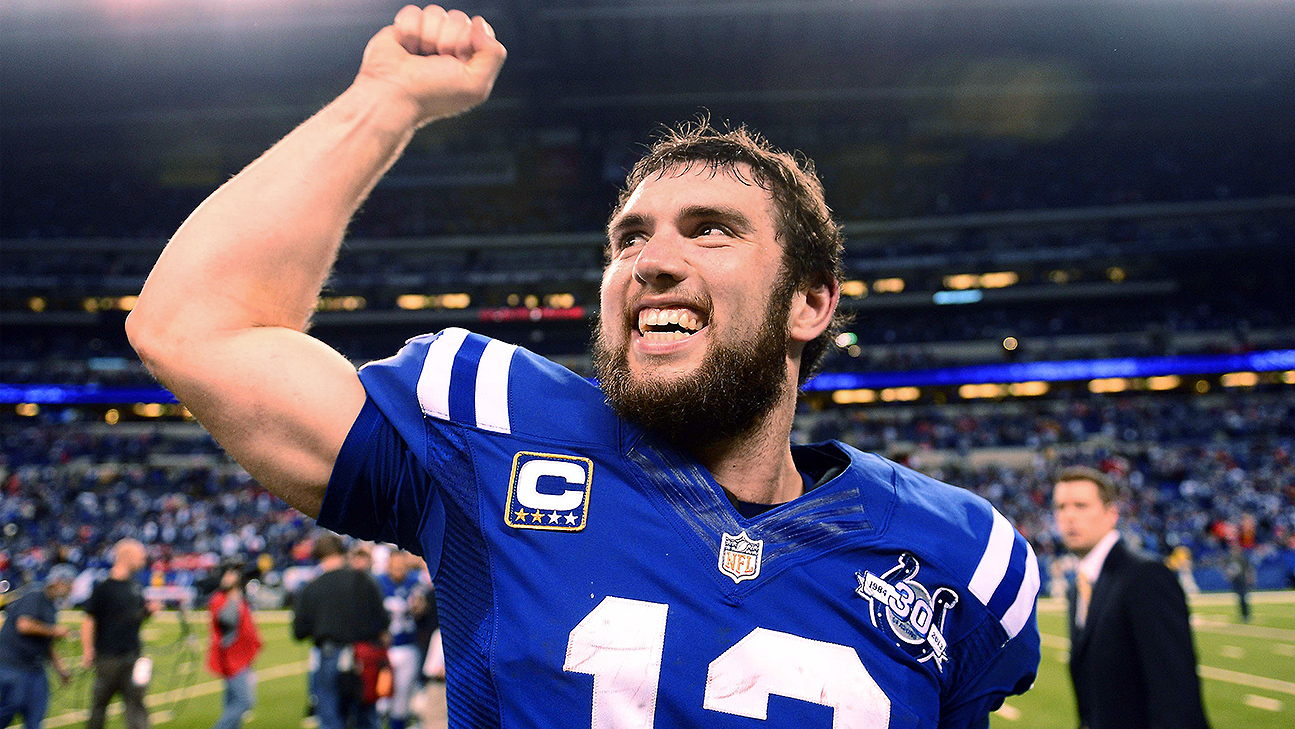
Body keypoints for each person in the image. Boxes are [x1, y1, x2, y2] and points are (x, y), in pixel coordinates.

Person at [126, 5, 1041, 726]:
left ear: (811, 303)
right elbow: (193, 326)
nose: (652, 260)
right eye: (628, 238)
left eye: (712, 230)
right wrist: (384, 102)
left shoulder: (959, 559)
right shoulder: (486, 432)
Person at [1052, 466, 1210, 729]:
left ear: (1111, 513)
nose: (1068, 516)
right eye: (1060, 507)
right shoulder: (1079, 587)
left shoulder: (1145, 576)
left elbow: (1176, 693)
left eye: (1081, 506)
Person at [292, 534, 389, 729]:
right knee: (366, 716)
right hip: (363, 655)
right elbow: (382, 620)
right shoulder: (362, 580)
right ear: (343, 553)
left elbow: (299, 631)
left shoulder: (311, 588)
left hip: (330, 655)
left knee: (330, 717)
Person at [81, 539, 157, 729]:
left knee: (136, 703)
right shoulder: (103, 588)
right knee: (99, 706)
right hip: (108, 657)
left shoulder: (136, 587)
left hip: (132, 655)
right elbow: (89, 620)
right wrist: (87, 649)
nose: (143, 561)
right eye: (140, 556)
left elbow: (133, 617)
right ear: (126, 557)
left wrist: (148, 612)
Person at [0, 565, 76, 729]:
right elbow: (24, 625)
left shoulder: (51, 605)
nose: (70, 589)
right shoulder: (35, 595)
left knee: (36, 716)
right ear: (58, 582)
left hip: (34, 668)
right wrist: (54, 630)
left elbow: (47, 642)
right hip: (13, 664)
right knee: (8, 710)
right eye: (69, 584)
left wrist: (60, 669)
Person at [206, 565, 262, 729]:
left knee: (231, 703)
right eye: (228, 574)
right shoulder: (221, 599)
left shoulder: (236, 598)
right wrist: (234, 598)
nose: (231, 577)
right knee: (245, 701)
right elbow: (227, 621)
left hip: (241, 656)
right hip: (232, 657)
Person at [376, 552, 422, 729]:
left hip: (409, 646)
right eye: (395, 566)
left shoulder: (415, 582)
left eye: (402, 566)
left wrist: (421, 606)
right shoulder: (378, 582)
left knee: (402, 699)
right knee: (380, 699)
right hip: (384, 648)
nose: (398, 570)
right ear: (388, 565)